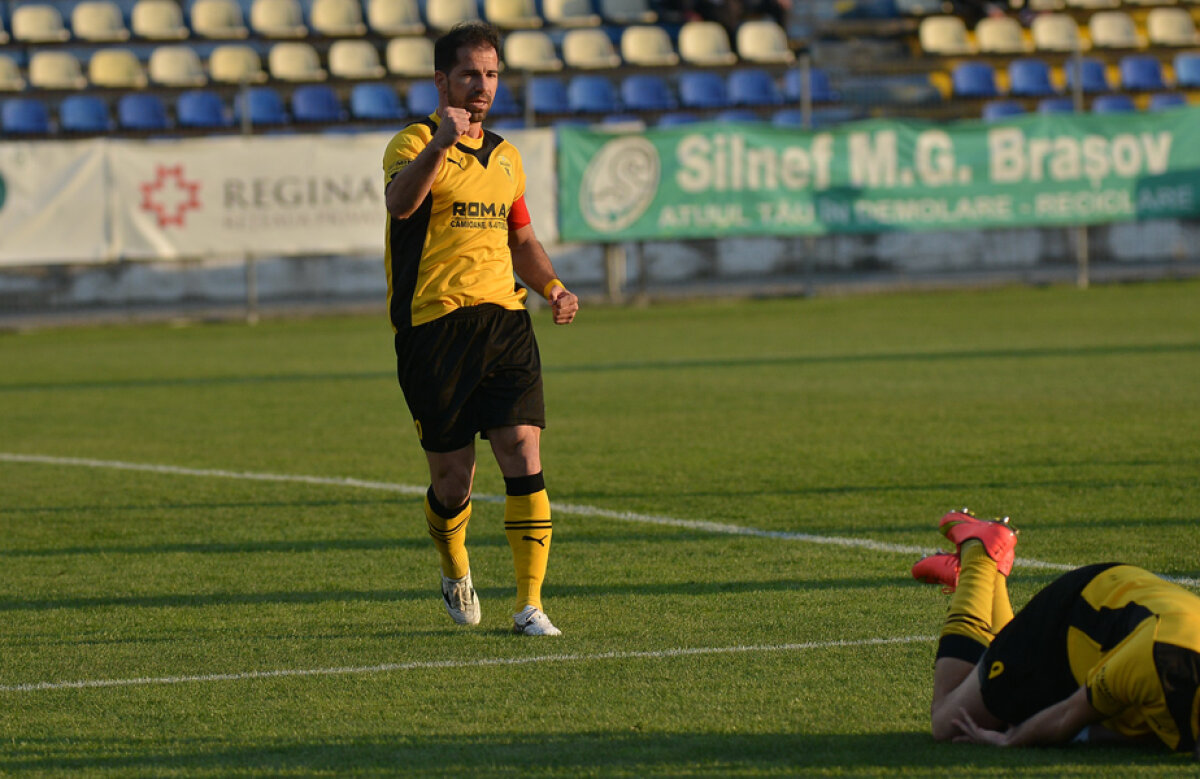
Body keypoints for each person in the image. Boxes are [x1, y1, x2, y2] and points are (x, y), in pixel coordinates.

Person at [381, 21, 579, 636]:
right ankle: (455, 564)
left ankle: (529, 604)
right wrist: (441, 145)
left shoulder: (507, 157)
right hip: (432, 328)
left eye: (492, 75)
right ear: (442, 80)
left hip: (505, 320)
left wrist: (551, 287)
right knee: (453, 477)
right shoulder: (411, 143)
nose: (483, 86)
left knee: (522, 449)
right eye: (470, 74)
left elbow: (521, 238)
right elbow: (401, 205)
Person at [912, 509, 1200, 757]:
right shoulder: (1160, 661)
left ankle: (991, 574)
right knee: (950, 723)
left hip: (1132, 599)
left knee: (1000, 701)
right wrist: (1012, 740)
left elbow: (1142, 731)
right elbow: (1068, 715)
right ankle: (980, 556)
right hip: (1072, 618)